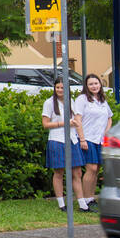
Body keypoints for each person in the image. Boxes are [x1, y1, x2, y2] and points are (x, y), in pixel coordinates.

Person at [41, 79, 87, 211]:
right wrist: (65, 123)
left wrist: (81, 138)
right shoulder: (49, 103)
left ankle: (82, 203)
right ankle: (61, 203)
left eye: (62, 87)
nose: (60, 90)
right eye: (58, 87)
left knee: (77, 172)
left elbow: (76, 121)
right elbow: (45, 124)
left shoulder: (70, 101)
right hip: (57, 139)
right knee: (59, 172)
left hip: (72, 139)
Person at [74, 74, 112, 210]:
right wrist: (82, 139)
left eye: (96, 83)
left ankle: (91, 198)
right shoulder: (82, 99)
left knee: (97, 170)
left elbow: (109, 118)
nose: (94, 86)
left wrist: (106, 132)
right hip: (87, 138)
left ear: (100, 85)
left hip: (99, 139)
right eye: (91, 84)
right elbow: (77, 119)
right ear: (86, 86)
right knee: (91, 168)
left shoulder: (102, 100)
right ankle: (83, 199)